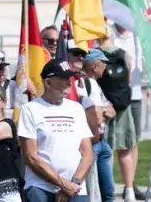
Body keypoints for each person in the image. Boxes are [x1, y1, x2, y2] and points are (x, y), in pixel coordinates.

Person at [20, 59, 95, 202]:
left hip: (75, 187)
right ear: (48, 83)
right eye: (63, 78)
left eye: (69, 77)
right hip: (41, 188)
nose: (69, 82)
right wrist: (62, 184)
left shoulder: (76, 108)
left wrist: (73, 184)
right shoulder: (30, 109)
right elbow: (31, 157)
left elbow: (88, 154)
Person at [98, 35, 139, 202]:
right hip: (122, 106)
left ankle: (109, 189)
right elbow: (127, 81)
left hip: (102, 106)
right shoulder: (125, 54)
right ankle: (129, 191)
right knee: (125, 150)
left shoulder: (94, 55)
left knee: (105, 151)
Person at [79, 48, 118, 202]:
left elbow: (111, 109)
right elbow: (92, 114)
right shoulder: (83, 84)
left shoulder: (96, 85)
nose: (106, 67)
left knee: (108, 192)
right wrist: (100, 113)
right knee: (92, 192)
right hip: (91, 143)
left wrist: (100, 112)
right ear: (95, 66)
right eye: (103, 63)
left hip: (102, 142)